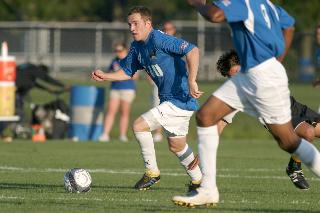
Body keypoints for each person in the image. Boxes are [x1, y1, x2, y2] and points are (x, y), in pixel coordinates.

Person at [173, 0, 320, 207]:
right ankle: (208, 190)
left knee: (289, 141)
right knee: (206, 116)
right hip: (252, 73)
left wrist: (197, 4)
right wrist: (278, 59)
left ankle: (208, 189)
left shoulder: (245, 2)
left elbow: (215, 15)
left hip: (262, 75)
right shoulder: (266, 4)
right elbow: (289, 25)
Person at [92, 6, 203, 191]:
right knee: (177, 146)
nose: (132, 28)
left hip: (180, 99)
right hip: (169, 100)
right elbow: (127, 71)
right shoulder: (136, 46)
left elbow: (193, 51)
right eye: (129, 24)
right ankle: (199, 181)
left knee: (139, 125)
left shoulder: (158, 39)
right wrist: (106, 75)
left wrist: (192, 80)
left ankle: (152, 172)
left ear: (147, 23)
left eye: (136, 23)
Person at [189, 50, 320, 190]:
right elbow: (221, 123)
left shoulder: (259, 69)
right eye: (233, 77)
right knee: (308, 132)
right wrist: (204, 148)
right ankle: (294, 167)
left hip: (295, 107)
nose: (238, 79)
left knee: (311, 133)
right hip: (276, 117)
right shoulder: (239, 92)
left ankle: (294, 166)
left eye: (238, 72)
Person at [99, 42, 138, 142]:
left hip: (127, 89)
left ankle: (122, 135)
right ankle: (105, 134)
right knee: (111, 111)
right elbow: (109, 74)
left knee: (124, 112)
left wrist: (123, 75)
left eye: (120, 51)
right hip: (115, 88)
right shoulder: (114, 61)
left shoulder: (130, 60)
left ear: (125, 50)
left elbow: (135, 76)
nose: (118, 53)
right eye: (116, 51)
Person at [148, 20, 178, 143]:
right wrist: (150, 75)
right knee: (158, 106)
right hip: (160, 81)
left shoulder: (178, 44)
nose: (167, 31)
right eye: (165, 29)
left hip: (175, 81)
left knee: (175, 108)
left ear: (174, 30)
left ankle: (174, 133)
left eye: (169, 29)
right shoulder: (156, 43)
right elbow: (151, 60)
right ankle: (158, 133)